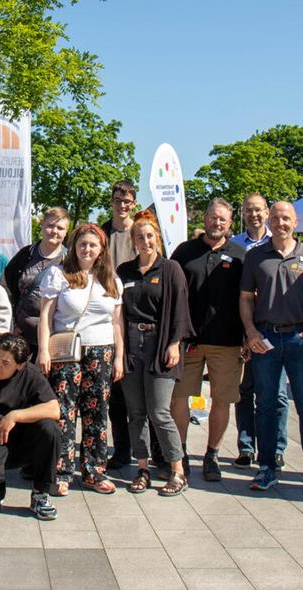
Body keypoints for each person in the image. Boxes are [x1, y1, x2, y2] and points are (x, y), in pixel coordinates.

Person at [240, 201, 303, 493]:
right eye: (275, 217)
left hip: (299, 338)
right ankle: (267, 468)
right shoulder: (255, 258)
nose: (280, 223)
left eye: (285, 218)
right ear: (268, 220)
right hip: (265, 338)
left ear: (295, 221)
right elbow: (245, 298)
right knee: (265, 405)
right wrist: (251, 332)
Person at [37, 223, 124, 495]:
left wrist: (120, 356)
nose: (87, 249)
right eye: (82, 244)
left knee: (97, 413)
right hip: (66, 351)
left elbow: (116, 323)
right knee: (64, 412)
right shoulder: (58, 274)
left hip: (102, 350)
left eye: (92, 245)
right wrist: (43, 350)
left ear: (101, 250)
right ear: (74, 247)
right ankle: (60, 471)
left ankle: (93, 471)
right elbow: (45, 317)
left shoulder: (111, 279)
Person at [169, 199, 247, 482]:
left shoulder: (240, 255)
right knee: (178, 398)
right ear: (205, 218)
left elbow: (247, 299)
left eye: (223, 220)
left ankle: (212, 454)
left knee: (222, 400)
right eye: (213, 218)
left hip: (227, 341)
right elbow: (172, 295)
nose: (217, 223)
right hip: (187, 340)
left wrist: (247, 337)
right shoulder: (184, 252)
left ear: (230, 223)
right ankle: (181, 453)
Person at [117, 211, 191, 496]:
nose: (145, 241)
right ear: (133, 240)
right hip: (131, 346)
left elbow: (181, 311)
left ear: (157, 237)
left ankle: (177, 470)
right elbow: (117, 314)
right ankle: (143, 469)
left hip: (161, 344)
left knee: (160, 411)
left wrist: (174, 343)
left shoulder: (171, 269)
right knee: (135, 413)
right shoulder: (124, 272)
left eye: (150, 235)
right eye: (139, 236)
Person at [0, 333, 61, 521]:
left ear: (19, 365)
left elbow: (54, 409)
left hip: (23, 440)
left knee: (50, 428)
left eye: (5, 363)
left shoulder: (30, 375)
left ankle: (41, 494)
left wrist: (15, 415)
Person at [229, 194, 289, 469]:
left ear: (266, 212)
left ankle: (276, 446)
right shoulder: (234, 245)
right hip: (241, 330)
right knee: (244, 391)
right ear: (242, 214)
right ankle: (245, 446)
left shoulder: (278, 242)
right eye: (248, 210)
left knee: (275, 394)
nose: (253, 215)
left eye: (258, 210)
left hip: (270, 330)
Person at [100, 179, 139, 470]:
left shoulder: (142, 232)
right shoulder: (102, 232)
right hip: (106, 314)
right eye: (117, 200)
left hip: (136, 315)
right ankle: (121, 449)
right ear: (112, 202)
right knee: (114, 394)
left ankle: (145, 450)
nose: (122, 205)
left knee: (139, 392)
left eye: (127, 201)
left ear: (133, 204)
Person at [3, 207, 70, 354]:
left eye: (60, 228)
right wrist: (12, 322)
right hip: (21, 337)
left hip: (54, 339)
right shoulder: (25, 255)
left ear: (66, 232)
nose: (54, 231)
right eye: (50, 226)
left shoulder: (70, 262)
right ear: (42, 225)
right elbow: (6, 288)